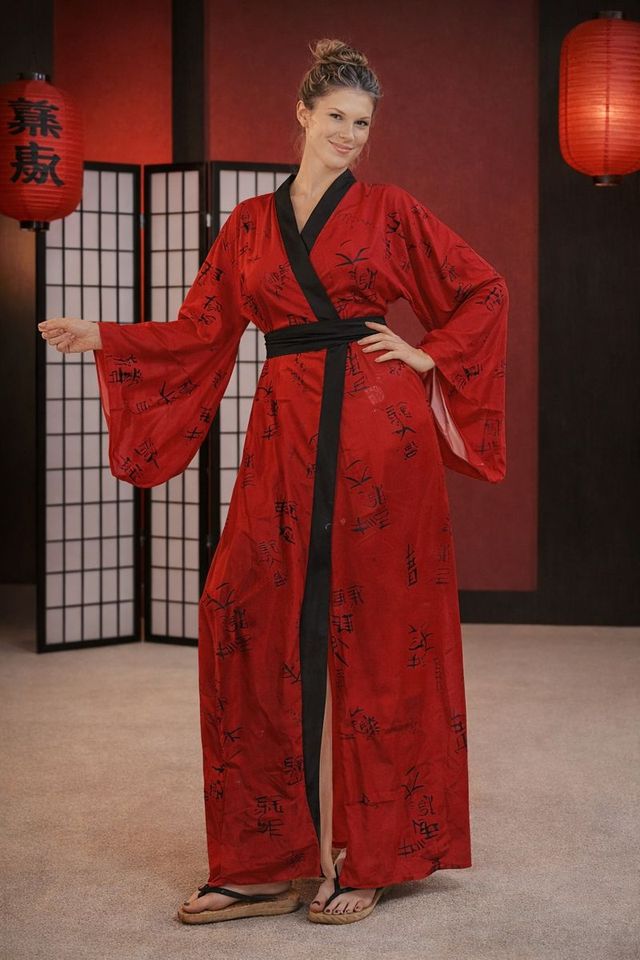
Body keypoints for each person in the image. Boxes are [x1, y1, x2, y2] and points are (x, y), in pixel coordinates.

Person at [38, 37, 508, 925]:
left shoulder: (391, 211)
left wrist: (429, 353)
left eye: (363, 123)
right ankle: (263, 858)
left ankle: (369, 853)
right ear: (302, 114)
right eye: (336, 117)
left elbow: (483, 290)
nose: (350, 135)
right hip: (285, 431)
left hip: (378, 434)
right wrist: (105, 336)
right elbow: (201, 329)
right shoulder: (249, 225)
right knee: (242, 613)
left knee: (378, 632)